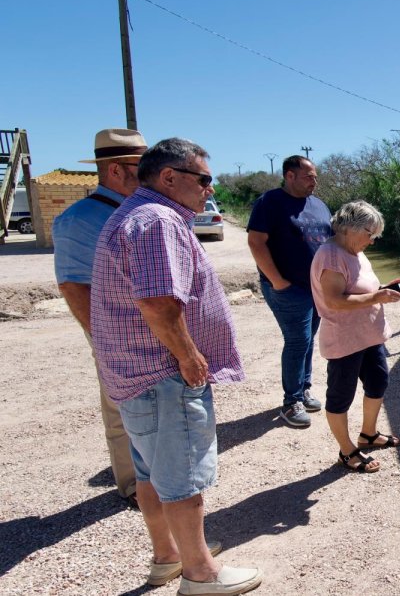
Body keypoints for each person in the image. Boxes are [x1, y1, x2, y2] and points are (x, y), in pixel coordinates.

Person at [92, 138, 262, 593]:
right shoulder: (157, 220)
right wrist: (189, 356)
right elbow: (158, 303)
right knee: (183, 475)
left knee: (151, 471)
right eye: (204, 179)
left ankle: (168, 556)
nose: (211, 188)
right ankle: (200, 574)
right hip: (162, 374)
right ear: (170, 177)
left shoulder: (137, 213)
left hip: (138, 376)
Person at [52, 128, 146, 508]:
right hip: (116, 334)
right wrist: (104, 340)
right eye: (143, 168)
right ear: (115, 171)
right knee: (121, 407)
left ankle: (159, 478)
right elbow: (74, 286)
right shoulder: (79, 220)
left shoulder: (139, 211)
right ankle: (133, 483)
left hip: (152, 329)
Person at [310, 201, 400, 473]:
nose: (373, 241)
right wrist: (376, 297)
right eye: (371, 234)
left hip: (368, 336)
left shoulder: (355, 250)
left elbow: (363, 286)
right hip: (345, 340)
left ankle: (369, 434)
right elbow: (334, 301)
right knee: (341, 395)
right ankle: (347, 449)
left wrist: (383, 290)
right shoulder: (331, 255)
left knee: (378, 382)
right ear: (351, 228)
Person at [247, 155, 331, 428]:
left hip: (316, 286)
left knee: (308, 339)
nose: (314, 181)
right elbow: (256, 242)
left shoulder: (318, 205)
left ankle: (304, 388)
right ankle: (291, 401)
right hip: (288, 287)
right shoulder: (269, 202)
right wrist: (277, 281)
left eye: (315, 176)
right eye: (308, 176)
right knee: (297, 340)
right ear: (289, 175)